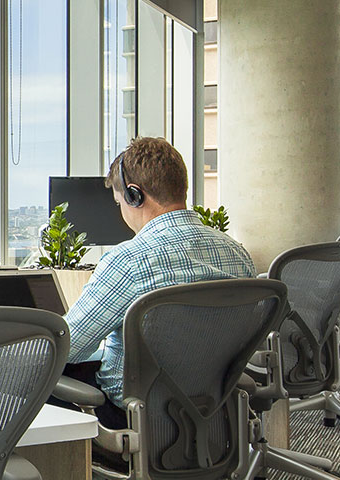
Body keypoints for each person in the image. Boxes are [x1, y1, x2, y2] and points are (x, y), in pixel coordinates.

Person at [52, 137, 255, 430]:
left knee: (35, 375)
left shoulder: (129, 261)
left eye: (119, 202)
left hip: (135, 420)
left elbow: (68, 348)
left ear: (134, 195)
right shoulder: (237, 254)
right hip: (213, 409)